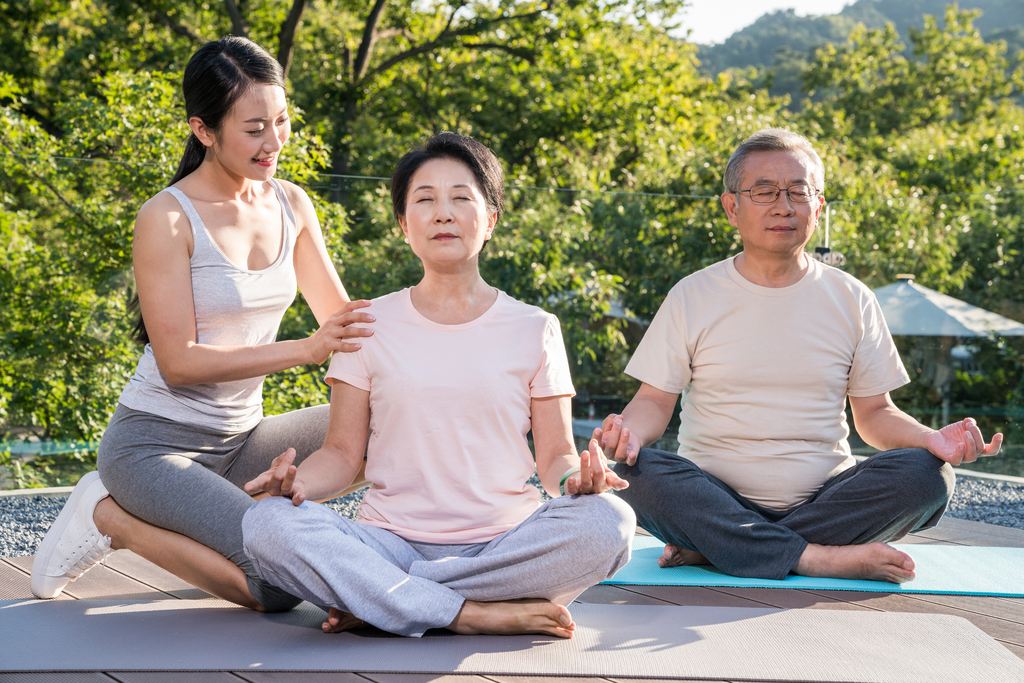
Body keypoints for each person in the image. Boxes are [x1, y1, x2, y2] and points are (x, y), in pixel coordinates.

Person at [240, 132, 636, 638]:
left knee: (610, 522)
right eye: (424, 200)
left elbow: (555, 457)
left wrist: (575, 485)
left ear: (490, 219)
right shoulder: (365, 324)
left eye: (461, 198)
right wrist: (295, 489)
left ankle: (388, 597)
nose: (443, 213)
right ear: (404, 225)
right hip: (388, 543)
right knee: (267, 524)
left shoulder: (535, 327)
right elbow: (341, 454)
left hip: (504, 544)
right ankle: (470, 613)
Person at [30, 37, 372, 612]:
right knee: (281, 589)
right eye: (255, 127)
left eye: (282, 121)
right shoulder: (166, 216)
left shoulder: (292, 203)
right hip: (153, 446)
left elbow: (346, 324)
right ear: (204, 130)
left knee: (391, 426)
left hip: (245, 442)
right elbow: (180, 364)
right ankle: (108, 515)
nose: (274, 142)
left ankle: (253, 523)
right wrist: (305, 350)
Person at [598, 127, 1002, 584]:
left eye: (797, 191)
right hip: (714, 495)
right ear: (732, 207)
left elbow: (874, 415)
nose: (783, 205)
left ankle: (719, 546)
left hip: (826, 499)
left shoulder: (852, 297)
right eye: (763, 191)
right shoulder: (693, 295)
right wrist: (627, 435)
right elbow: (654, 401)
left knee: (929, 477)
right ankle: (817, 557)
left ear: (819, 206)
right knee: (640, 472)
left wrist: (932, 440)